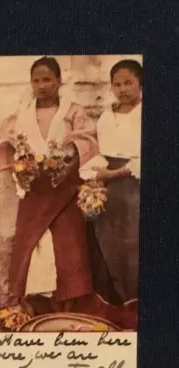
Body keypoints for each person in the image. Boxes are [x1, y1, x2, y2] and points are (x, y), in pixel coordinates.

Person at [0, 56, 136, 329]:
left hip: (65, 189)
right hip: (36, 192)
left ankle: (71, 302)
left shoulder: (72, 111)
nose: (41, 85)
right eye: (36, 80)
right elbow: (6, 139)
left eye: (47, 79)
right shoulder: (23, 112)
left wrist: (69, 158)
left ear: (58, 82)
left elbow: (86, 137)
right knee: (35, 246)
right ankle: (37, 303)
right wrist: (21, 163)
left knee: (68, 246)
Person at [80, 59, 142, 303]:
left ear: (140, 83)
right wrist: (94, 176)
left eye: (129, 83)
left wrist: (115, 175)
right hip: (106, 187)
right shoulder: (107, 114)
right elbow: (102, 151)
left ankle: (134, 303)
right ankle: (113, 303)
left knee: (132, 245)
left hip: (133, 186)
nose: (123, 89)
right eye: (117, 84)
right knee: (105, 243)